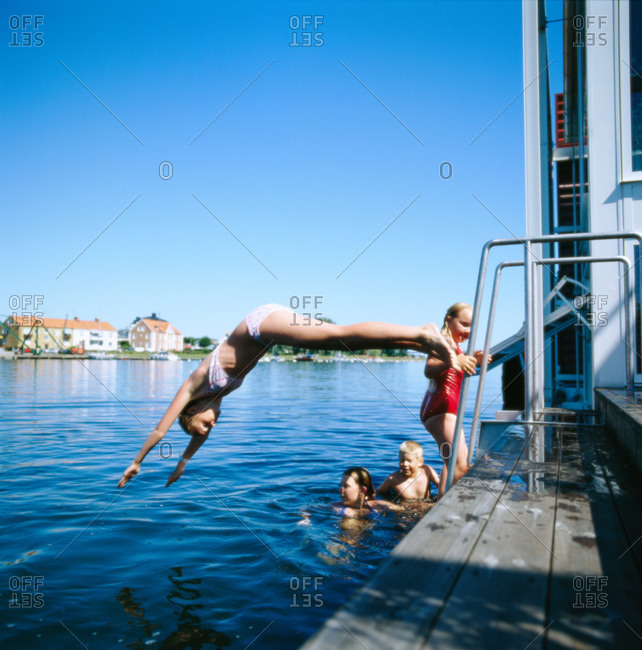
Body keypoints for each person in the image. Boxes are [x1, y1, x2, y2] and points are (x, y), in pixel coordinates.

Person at [118, 303, 457, 488]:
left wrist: (137, 462)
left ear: (192, 411)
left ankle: (421, 333)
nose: (208, 429)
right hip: (268, 334)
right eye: (205, 431)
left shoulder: (195, 382)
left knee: (335, 335)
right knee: (346, 342)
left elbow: (161, 429)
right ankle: (421, 342)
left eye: (201, 426)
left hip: (260, 324)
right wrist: (182, 463)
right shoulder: (214, 401)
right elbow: (197, 439)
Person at [420, 302, 490, 498]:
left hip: (444, 410)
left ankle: (440, 503)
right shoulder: (442, 341)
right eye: (464, 324)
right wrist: (455, 360)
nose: (468, 331)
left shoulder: (455, 347)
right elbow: (429, 369)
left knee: (451, 463)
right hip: (440, 411)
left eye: (472, 327)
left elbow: (453, 370)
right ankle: (453, 512)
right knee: (460, 466)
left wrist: (472, 359)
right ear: (449, 320)